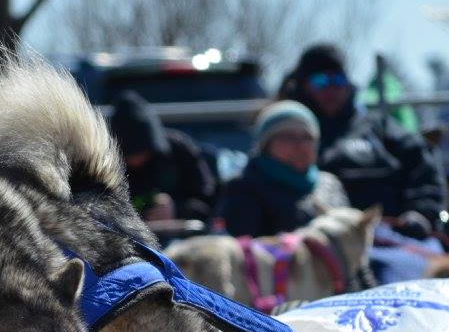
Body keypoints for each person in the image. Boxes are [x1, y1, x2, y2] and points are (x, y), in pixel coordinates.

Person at [278, 44, 448, 240]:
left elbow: (424, 166)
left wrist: (421, 213)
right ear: (303, 85)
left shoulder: (378, 127)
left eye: (338, 79)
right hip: (322, 243)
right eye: (321, 81)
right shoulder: (288, 134)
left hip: (394, 237)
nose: (331, 88)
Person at [219, 100, 349, 238]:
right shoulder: (244, 188)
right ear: (266, 145)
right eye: (288, 137)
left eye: (307, 137)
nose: (301, 145)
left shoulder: (329, 184)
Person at [108, 90, 218, 225]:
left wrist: (177, 209)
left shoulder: (179, 151)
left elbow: (208, 200)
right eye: (130, 154)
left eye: (141, 152)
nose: (137, 159)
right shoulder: (107, 165)